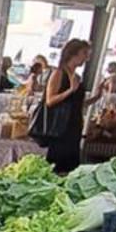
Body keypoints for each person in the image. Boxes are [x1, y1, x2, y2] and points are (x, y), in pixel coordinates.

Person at [36, 39, 90, 173]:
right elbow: (50, 100)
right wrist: (70, 90)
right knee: (58, 164)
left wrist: (96, 97)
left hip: (74, 125)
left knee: (71, 165)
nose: (86, 58)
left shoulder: (75, 76)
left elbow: (75, 103)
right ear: (74, 54)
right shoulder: (58, 73)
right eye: (84, 53)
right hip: (61, 127)